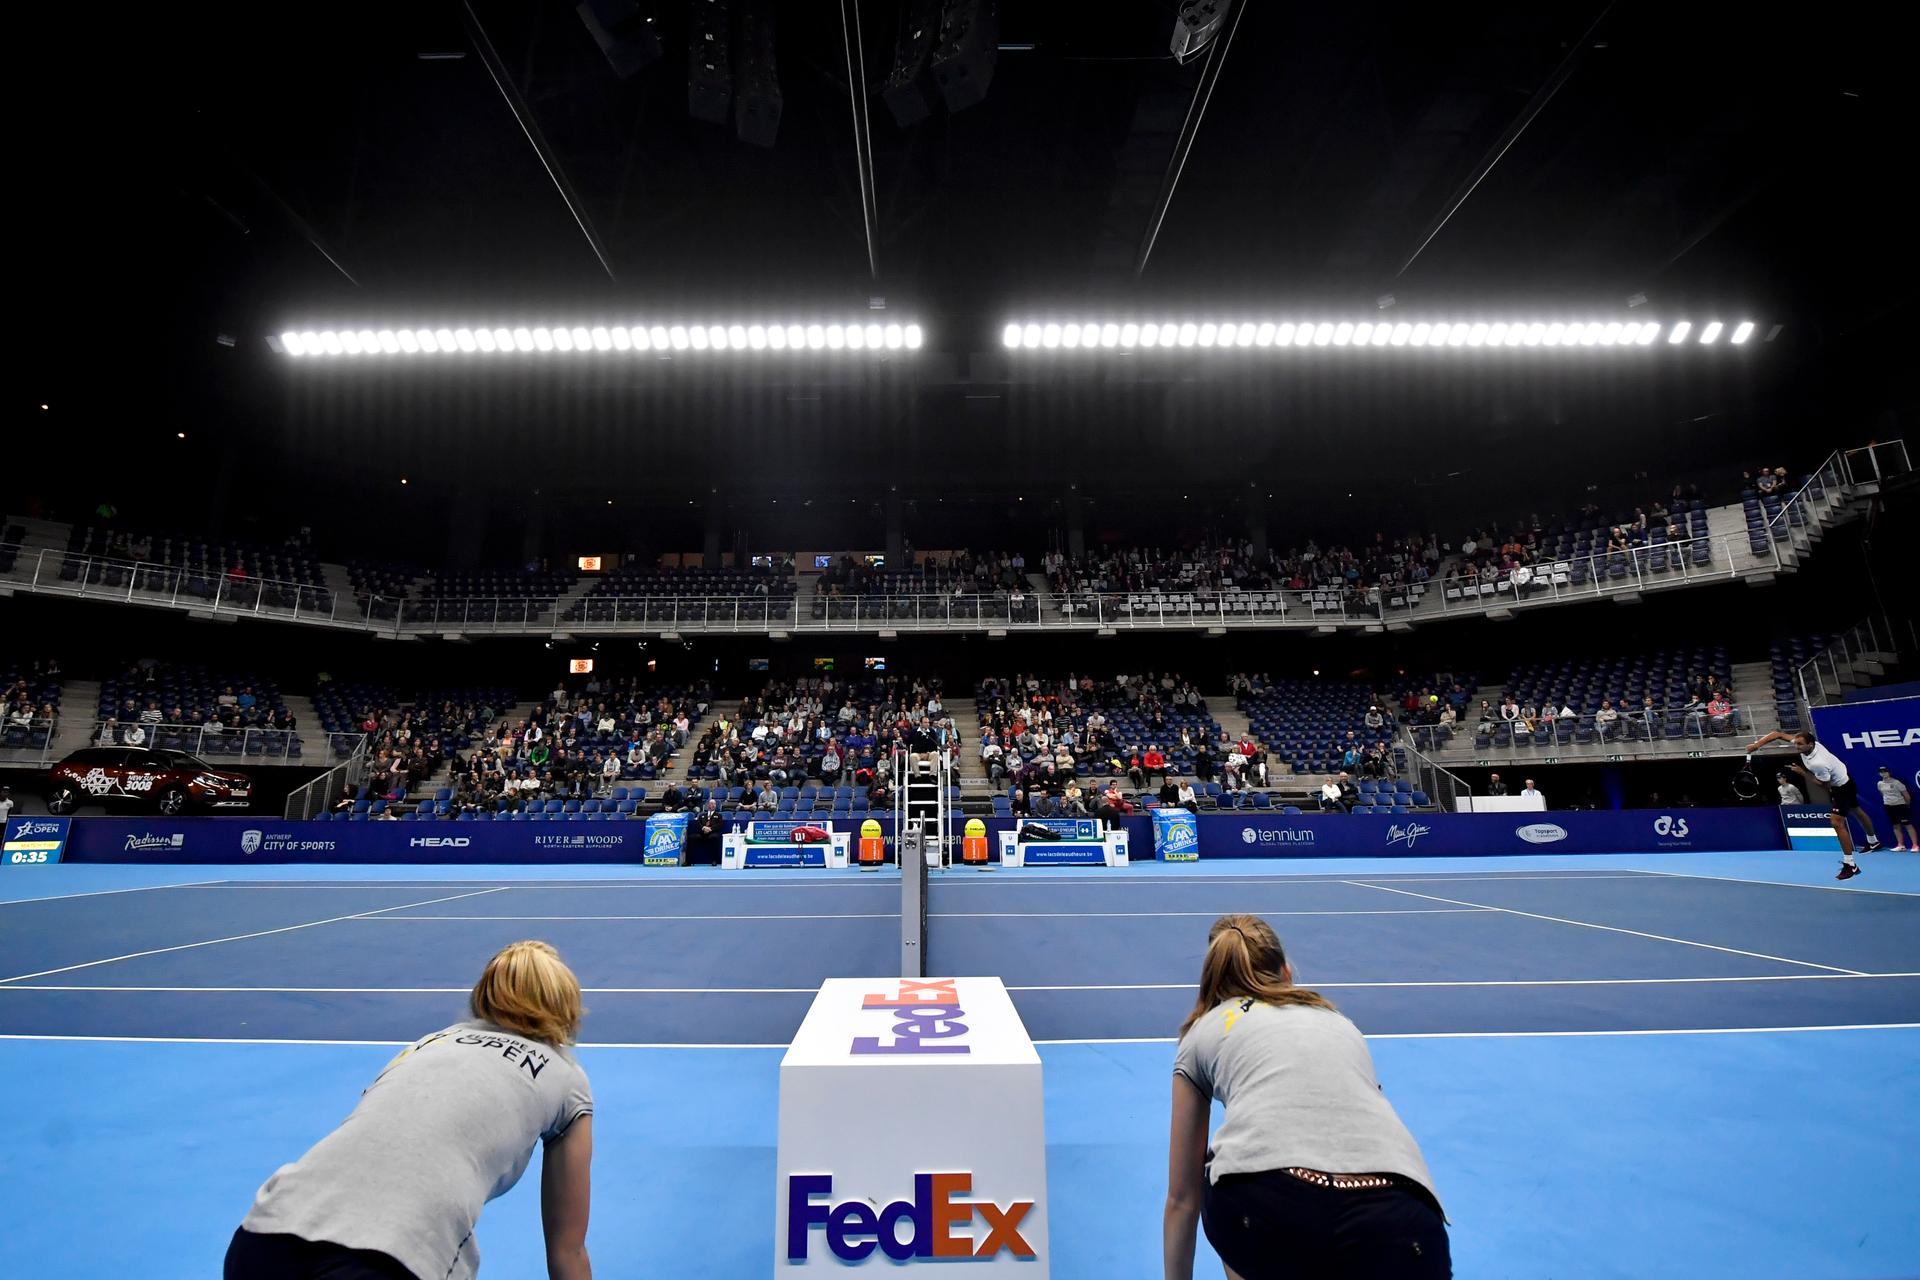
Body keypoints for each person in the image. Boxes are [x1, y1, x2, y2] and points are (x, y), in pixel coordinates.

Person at [226, 941, 593, 1280]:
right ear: (565, 1004)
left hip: (264, 1233)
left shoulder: (426, 1044)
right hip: (393, 1254)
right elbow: (568, 1250)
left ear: (485, 995)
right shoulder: (565, 1076)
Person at [1164, 916, 1448, 1280]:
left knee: (1220, 1167)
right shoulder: (1339, 1023)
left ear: (1215, 983)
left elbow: (1181, 1200)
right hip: (1406, 1217)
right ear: (1286, 972)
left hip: (1269, 1211)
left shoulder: (1201, 1034)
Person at [1745, 730, 1883, 878]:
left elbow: (1825, 786)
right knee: (1857, 811)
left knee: (1836, 822)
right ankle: (1873, 841)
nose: (1796, 746)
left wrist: (1803, 773)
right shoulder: (1809, 745)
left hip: (1841, 787)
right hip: (1845, 777)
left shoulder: (1819, 763)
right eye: (1796, 743)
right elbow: (1777, 734)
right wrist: (1756, 745)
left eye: (1800, 744)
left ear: (1810, 744)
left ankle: (1851, 865)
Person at [1878, 767, 1917, 852]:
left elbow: (1907, 796)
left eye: (1885, 771)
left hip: (1900, 806)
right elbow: (1882, 794)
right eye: (1881, 772)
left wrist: (1906, 805)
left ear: (1889, 772)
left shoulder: (1897, 783)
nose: (1883, 773)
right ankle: (1901, 845)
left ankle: (1915, 845)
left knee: (1907, 824)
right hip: (1888, 806)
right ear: (1879, 774)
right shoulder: (1880, 784)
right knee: (1895, 825)